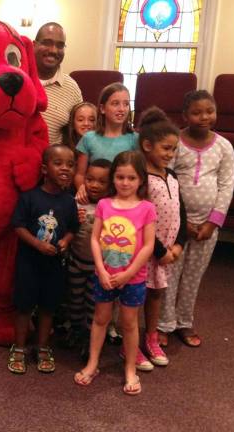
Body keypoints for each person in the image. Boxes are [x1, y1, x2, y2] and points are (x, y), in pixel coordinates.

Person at [74, 151, 156, 396]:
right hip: (105, 276)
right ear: (113, 178)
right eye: (120, 177)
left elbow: (148, 246)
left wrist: (128, 273)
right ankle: (92, 363)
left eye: (131, 178)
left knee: (129, 324)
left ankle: (131, 369)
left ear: (141, 179)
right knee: (101, 319)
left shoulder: (146, 208)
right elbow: (96, 238)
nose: (125, 182)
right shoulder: (104, 205)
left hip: (134, 278)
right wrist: (100, 268)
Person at [159, 90, 234, 348]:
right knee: (169, 273)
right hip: (176, 224)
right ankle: (164, 324)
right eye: (197, 112)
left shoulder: (224, 146)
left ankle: (184, 322)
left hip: (207, 227)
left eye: (209, 111)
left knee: (193, 275)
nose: (204, 117)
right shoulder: (175, 143)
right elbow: (166, 180)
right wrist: (183, 222)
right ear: (185, 115)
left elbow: (226, 185)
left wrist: (212, 222)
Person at [8, 145, 80, 374]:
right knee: (23, 307)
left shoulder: (69, 201)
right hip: (28, 263)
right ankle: (18, 348)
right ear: (44, 169)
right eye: (58, 164)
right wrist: (38, 244)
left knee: (49, 307)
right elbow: (18, 226)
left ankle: (42, 347)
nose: (65, 169)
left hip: (54, 265)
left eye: (70, 164)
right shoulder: (29, 197)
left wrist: (66, 241)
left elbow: (72, 229)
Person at [136, 106, 187, 367]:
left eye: (173, 149)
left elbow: (182, 212)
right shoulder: (140, 177)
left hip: (166, 252)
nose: (170, 154)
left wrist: (178, 245)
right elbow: (139, 220)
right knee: (135, 297)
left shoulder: (173, 176)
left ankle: (151, 338)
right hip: (145, 250)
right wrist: (159, 250)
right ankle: (130, 344)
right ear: (147, 145)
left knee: (156, 295)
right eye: (165, 148)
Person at [65, 158, 110, 357]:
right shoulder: (76, 201)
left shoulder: (110, 206)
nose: (94, 185)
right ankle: (75, 330)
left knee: (93, 304)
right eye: (90, 179)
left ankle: (89, 337)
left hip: (98, 267)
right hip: (76, 261)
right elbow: (65, 228)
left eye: (101, 181)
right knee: (75, 299)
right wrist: (74, 221)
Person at [75, 83, 138, 204]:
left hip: (123, 201)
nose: (122, 109)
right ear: (103, 109)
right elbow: (80, 174)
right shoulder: (89, 138)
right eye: (115, 104)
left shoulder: (135, 139)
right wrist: (81, 187)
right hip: (95, 202)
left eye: (126, 104)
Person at [34, 22, 83, 145]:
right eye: (47, 43)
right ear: (33, 45)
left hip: (51, 162)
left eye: (60, 45)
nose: (53, 50)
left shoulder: (72, 88)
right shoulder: (16, 78)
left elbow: (78, 135)